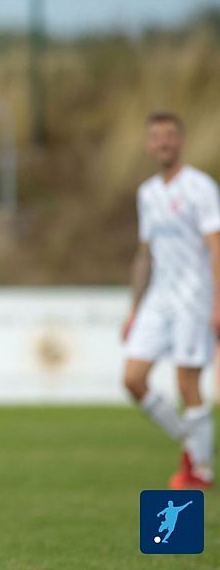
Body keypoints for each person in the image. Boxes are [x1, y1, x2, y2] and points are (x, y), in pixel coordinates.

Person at [122, 111, 218, 490]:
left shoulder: (200, 188)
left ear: (181, 141)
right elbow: (145, 254)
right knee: (132, 379)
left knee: (187, 383)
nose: (163, 143)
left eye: (170, 136)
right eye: (157, 137)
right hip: (158, 300)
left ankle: (202, 469)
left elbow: (215, 247)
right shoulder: (148, 193)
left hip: (195, 298)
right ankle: (193, 444)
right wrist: (134, 309)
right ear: (150, 144)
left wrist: (217, 302)